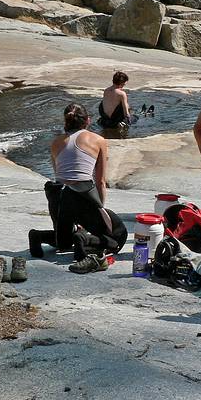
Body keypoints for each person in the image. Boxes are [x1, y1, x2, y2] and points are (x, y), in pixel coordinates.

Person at [28, 103, 128, 274]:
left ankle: (38, 236)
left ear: (66, 121)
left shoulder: (56, 142)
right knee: (118, 238)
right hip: (83, 195)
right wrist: (100, 209)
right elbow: (100, 181)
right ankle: (82, 238)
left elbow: (61, 176)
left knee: (63, 244)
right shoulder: (98, 140)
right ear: (88, 120)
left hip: (58, 197)